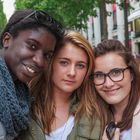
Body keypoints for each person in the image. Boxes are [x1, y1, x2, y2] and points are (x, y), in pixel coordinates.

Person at [16, 31, 110, 140]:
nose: (72, 73)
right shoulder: (21, 105)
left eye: (80, 65)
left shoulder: (99, 112)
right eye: (64, 62)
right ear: (50, 63)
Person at [0, 9, 64, 140]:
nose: (40, 61)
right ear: (7, 40)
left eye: (47, 55)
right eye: (32, 46)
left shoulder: (19, 94)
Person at [92, 39, 140, 140]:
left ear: (131, 74)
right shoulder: (91, 116)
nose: (108, 84)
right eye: (99, 75)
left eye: (116, 72)